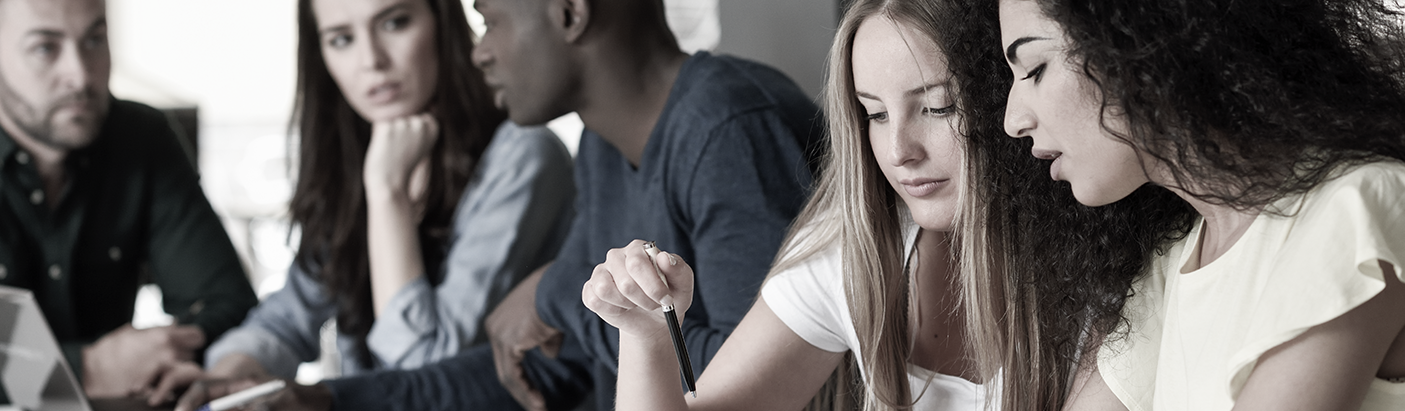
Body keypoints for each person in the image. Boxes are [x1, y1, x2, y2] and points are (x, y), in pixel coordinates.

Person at [173, 0, 825, 409]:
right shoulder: (601, 147)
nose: (479, 50)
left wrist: (560, 296)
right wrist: (327, 399)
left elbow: (776, 381)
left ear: (569, 14)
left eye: (489, 19)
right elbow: (542, 361)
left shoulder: (729, 128)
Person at [156, 0, 576, 406]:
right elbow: (287, 319)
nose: (371, 60)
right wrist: (225, 380)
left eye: (394, 23)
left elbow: (421, 372)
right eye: (341, 39)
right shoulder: (356, 155)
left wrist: (387, 194)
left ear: (441, 21)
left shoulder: (523, 155)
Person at [993, 0, 1405, 409]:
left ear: (1142, 39)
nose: (1013, 120)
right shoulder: (1177, 259)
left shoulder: (1356, 208)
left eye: (1034, 69)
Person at [581, 0, 993, 409]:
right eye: (876, 114)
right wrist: (648, 337)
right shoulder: (852, 248)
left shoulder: (1057, 273)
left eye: (940, 107)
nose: (899, 151)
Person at [0, 0, 258, 406]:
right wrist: (89, 368)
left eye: (94, 39)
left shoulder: (143, 139)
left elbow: (229, 306)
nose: (80, 74)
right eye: (44, 48)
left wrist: (157, 356)